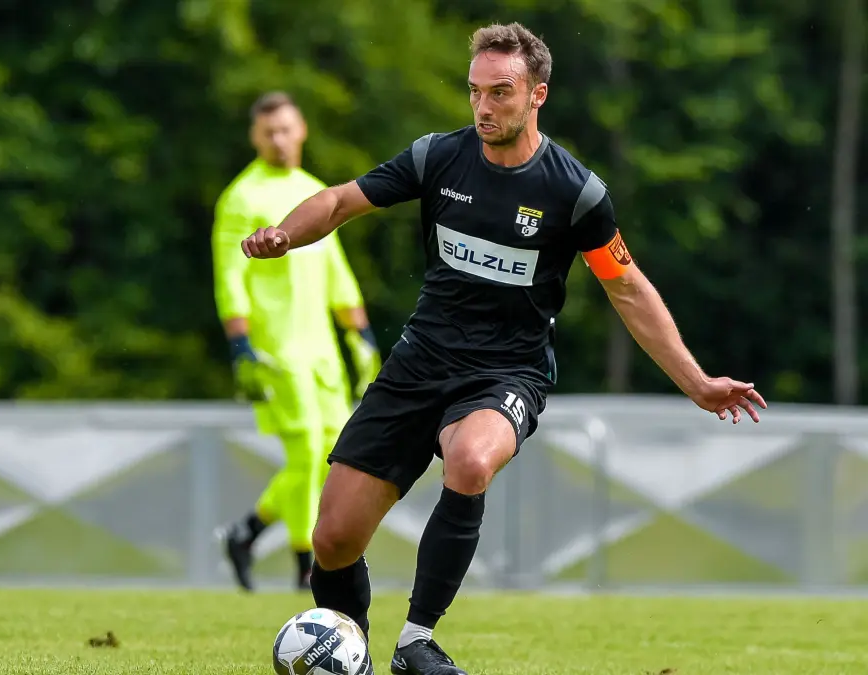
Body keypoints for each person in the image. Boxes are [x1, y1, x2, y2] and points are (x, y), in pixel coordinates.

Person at [240, 22, 768, 675]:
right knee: (334, 536)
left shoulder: (575, 194)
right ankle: (353, 657)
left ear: (537, 94)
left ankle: (415, 641)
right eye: (474, 93)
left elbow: (628, 288)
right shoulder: (438, 158)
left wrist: (696, 381)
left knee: (469, 460)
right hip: (421, 360)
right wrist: (285, 236)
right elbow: (341, 201)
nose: (485, 108)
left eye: (501, 93)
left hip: (506, 372)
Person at [212, 91, 383, 593]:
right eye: (269, 132)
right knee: (307, 448)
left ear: (302, 129)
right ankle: (307, 564)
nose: (279, 139)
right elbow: (230, 276)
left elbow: (337, 273)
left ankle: (248, 533)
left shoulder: (313, 191)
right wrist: (241, 344)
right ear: (255, 137)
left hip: (322, 351)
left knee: (330, 453)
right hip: (276, 347)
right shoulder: (241, 198)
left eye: (286, 129)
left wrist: (360, 335)